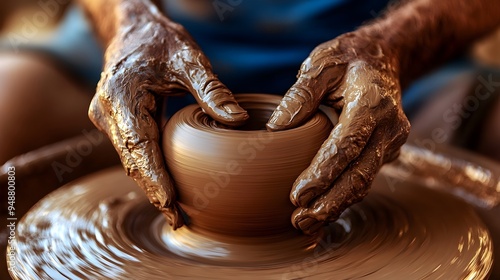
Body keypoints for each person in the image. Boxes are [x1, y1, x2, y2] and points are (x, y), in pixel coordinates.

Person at [1, 0, 499, 234]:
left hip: (380, 50)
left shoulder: (390, 48)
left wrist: (396, 47)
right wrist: (128, 22)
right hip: (151, 36)